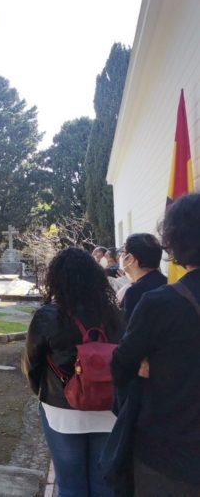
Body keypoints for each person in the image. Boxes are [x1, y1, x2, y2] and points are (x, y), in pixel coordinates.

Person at [110, 193, 200, 495]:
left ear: (174, 240)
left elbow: (120, 366)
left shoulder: (160, 302)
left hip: (169, 455)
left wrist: (144, 366)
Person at [23, 247, 123, 496]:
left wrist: (43, 394)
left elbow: (32, 364)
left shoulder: (48, 316)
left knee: (70, 484)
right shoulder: (116, 315)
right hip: (109, 407)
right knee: (103, 483)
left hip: (62, 409)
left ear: (56, 279)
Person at [101, 234, 167, 494]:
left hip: (141, 381)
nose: (121, 257)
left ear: (133, 258)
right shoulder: (168, 284)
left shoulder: (137, 292)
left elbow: (127, 344)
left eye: (125, 253)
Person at [119, 233, 166, 323]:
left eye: (124, 253)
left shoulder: (134, 292)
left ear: (130, 258)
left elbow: (128, 332)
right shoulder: (170, 282)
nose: (121, 257)